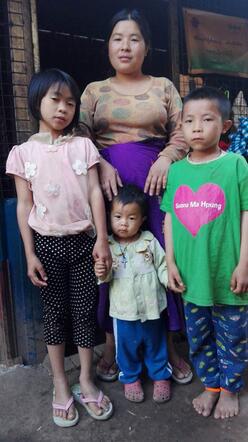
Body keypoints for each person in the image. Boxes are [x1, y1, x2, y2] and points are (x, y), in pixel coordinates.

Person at [79, 8, 192, 384]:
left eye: (134, 38)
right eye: (117, 38)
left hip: (157, 187)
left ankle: (170, 344)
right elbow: (77, 136)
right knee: (112, 263)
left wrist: (165, 158)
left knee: (159, 260)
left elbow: (183, 132)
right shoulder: (94, 91)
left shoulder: (163, 86)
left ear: (146, 47)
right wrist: (100, 162)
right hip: (107, 189)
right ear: (107, 46)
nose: (125, 46)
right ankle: (113, 344)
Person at [6, 69, 113, 426]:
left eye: (70, 102)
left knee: (85, 314)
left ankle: (85, 378)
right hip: (46, 246)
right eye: (55, 99)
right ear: (37, 101)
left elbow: (96, 192)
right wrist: (30, 253)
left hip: (84, 243)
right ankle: (60, 382)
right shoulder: (21, 153)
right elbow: (24, 205)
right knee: (55, 317)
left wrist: (101, 239)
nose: (63, 108)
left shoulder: (83, 146)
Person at [161, 86, 248, 419]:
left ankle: (230, 389)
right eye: (189, 121)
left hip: (229, 273)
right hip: (190, 274)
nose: (196, 128)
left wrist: (244, 263)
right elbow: (169, 218)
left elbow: (246, 213)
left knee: (233, 335)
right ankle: (211, 385)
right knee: (198, 335)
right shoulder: (178, 171)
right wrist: (170, 262)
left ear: (225, 125)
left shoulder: (236, 165)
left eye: (207, 119)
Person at [95, 184, 172, 402]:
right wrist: (102, 271)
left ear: (143, 219)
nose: (123, 223)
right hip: (123, 312)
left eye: (131, 218)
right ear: (109, 216)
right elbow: (105, 277)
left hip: (152, 308)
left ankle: (160, 376)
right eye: (118, 216)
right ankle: (130, 378)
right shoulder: (107, 246)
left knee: (155, 343)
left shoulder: (149, 241)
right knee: (126, 349)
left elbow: (162, 265)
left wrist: (170, 280)